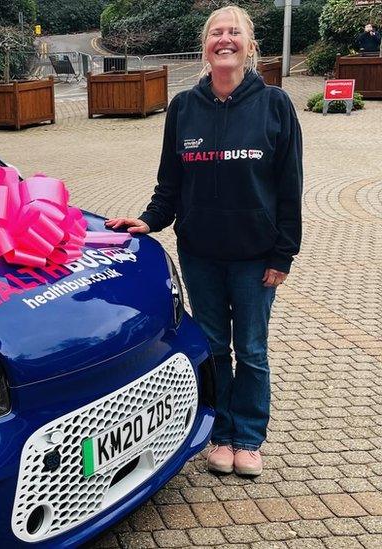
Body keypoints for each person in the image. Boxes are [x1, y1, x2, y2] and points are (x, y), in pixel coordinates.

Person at [105, 5, 302, 478]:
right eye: (217, 33)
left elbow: (290, 185)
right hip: (201, 255)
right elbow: (170, 182)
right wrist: (150, 221)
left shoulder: (275, 104)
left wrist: (284, 252)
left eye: (235, 32)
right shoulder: (183, 107)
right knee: (213, 346)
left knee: (252, 350)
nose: (225, 39)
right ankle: (219, 433)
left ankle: (249, 437)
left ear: (250, 45)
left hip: (256, 257)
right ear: (206, 46)